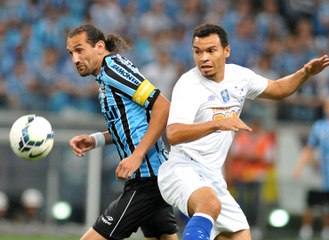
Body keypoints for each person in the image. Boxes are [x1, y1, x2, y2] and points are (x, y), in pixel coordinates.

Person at [157, 23, 329, 240]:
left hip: (213, 178)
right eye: (197, 51)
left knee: (241, 235)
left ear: (226, 51)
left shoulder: (239, 77)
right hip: (182, 168)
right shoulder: (188, 85)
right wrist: (218, 124)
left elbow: (277, 89)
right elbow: (173, 134)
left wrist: (305, 73)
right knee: (209, 203)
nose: (203, 58)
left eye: (211, 50)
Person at [66, 24, 178, 240]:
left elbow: (162, 106)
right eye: (71, 53)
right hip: (152, 177)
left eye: (80, 50)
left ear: (99, 47)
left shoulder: (113, 70)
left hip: (147, 179)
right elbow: (132, 125)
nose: (75, 59)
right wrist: (95, 140)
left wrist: (136, 157)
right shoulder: (105, 77)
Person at [293, 97, 329, 240]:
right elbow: (309, 149)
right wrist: (299, 167)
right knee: (311, 204)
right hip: (319, 174)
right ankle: (306, 229)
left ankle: (326, 230)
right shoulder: (319, 127)